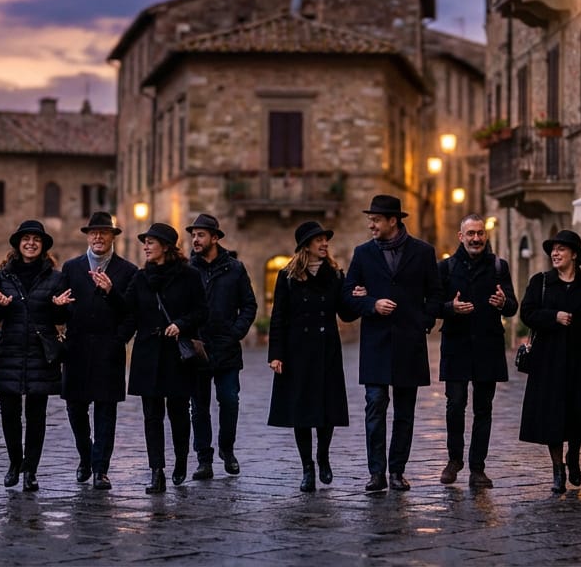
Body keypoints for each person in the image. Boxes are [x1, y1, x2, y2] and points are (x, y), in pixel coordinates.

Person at [342, 194, 446, 492]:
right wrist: (372, 304)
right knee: (374, 405)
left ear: (393, 221)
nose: (371, 225)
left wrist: (423, 321)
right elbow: (348, 294)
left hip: (409, 343)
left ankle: (397, 471)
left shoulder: (423, 252)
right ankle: (376, 473)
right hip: (375, 343)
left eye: (376, 220)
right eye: (370, 220)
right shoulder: (362, 253)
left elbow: (435, 294)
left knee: (405, 411)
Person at [111, 222, 208, 494]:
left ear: (165, 247)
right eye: (145, 242)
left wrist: (181, 323)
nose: (145, 247)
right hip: (147, 353)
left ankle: (180, 461)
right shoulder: (141, 278)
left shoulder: (189, 276)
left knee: (178, 413)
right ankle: (157, 471)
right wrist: (116, 338)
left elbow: (202, 311)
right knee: (151, 416)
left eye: (151, 242)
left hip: (177, 354)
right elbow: (128, 312)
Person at [0, 220, 71, 492]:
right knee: (9, 414)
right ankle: (14, 463)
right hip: (10, 350)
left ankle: (30, 470)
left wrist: (58, 309)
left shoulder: (56, 278)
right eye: (26, 239)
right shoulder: (3, 276)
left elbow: (64, 316)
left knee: (36, 416)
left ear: (43, 245)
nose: (31, 243)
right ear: (18, 244)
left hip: (39, 353)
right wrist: (0, 306)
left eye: (36, 239)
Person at [267, 221, 354, 492]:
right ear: (306, 246)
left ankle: (323, 456)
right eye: (319, 240)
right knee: (301, 413)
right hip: (297, 352)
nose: (324, 243)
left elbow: (345, 313)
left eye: (325, 239)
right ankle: (307, 467)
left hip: (327, 349)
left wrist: (357, 298)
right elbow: (278, 317)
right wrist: (276, 354)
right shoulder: (288, 276)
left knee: (327, 410)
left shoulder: (336, 275)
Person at [518, 230, 581, 494]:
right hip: (548, 358)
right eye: (553, 249)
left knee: (578, 410)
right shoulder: (540, 281)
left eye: (561, 249)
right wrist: (553, 316)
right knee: (552, 414)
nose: (555, 253)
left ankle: (573, 456)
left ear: (574, 254)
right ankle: (557, 469)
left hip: (580, 356)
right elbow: (527, 314)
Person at [436, 214, 518, 489]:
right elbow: (432, 305)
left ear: (485, 235)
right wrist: (450, 308)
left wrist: (503, 301)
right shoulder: (446, 268)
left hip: (487, 346)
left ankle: (477, 467)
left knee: (484, 409)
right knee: (455, 405)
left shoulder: (498, 266)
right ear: (461, 236)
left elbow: (512, 306)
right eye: (470, 233)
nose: (476, 238)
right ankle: (454, 459)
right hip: (457, 346)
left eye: (480, 233)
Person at [59, 211, 137, 492]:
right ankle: (85, 456)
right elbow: (62, 304)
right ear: (87, 237)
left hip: (108, 351)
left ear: (113, 237)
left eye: (104, 232)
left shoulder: (127, 271)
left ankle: (100, 469)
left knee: (106, 413)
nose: (98, 237)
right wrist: (58, 306)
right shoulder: (71, 267)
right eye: (93, 233)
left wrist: (119, 339)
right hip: (76, 350)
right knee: (75, 410)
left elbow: (131, 313)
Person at [185, 213, 257, 481]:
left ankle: (227, 449)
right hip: (198, 348)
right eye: (193, 235)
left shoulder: (234, 268)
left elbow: (249, 305)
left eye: (201, 235)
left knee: (229, 400)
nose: (195, 239)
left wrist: (235, 333)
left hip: (226, 347)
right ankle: (204, 458)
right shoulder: (188, 270)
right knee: (199, 406)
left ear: (215, 238)